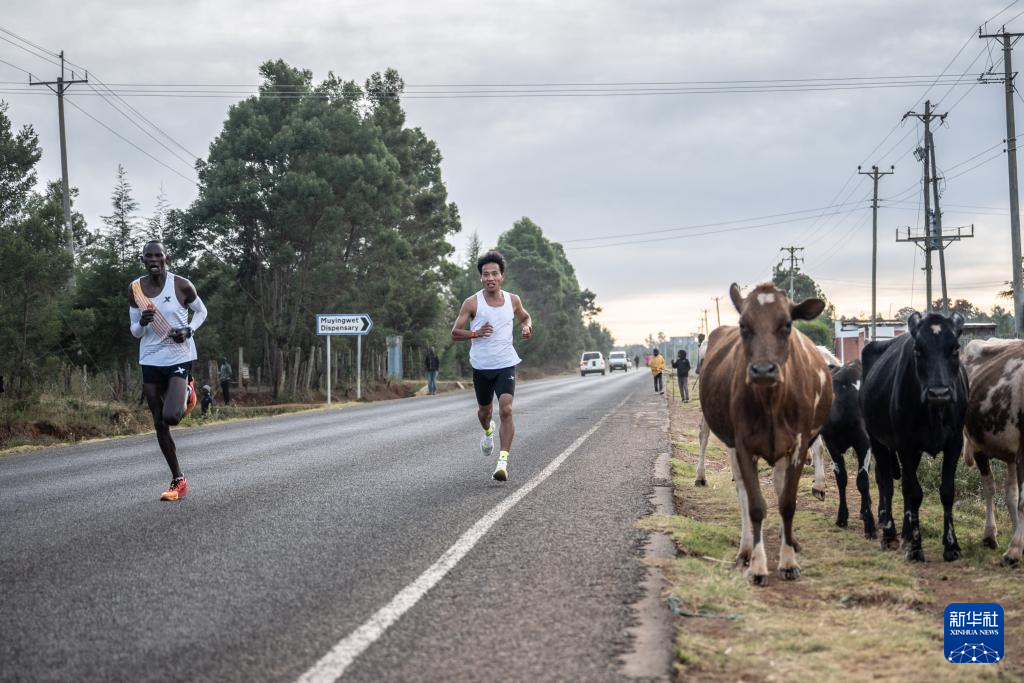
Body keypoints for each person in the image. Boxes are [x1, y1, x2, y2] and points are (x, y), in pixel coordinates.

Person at [129, 239, 207, 502]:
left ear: (166, 258)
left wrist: (189, 330)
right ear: (143, 260)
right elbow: (135, 332)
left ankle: (188, 391)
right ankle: (178, 480)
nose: (153, 260)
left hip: (178, 356)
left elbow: (201, 312)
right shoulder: (135, 289)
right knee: (159, 423)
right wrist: (142, 323)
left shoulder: (181, 285)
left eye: (158, 255)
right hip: (150, 359)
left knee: (171, 416)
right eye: (148, 256)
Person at [451, 250, 532, 481]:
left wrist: (527, 326)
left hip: (505, 364)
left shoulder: (513, 300)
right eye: (486, 274)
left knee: (506, 409)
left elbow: (525, 317)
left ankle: (502, 463)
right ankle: (488, 432)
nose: (490, 278)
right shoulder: (472, 302)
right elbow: (455, 332)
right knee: (485, 413)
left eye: (494, 273)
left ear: (501, 276)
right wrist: (475, 333)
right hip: (481, 367)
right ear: (481, 277)